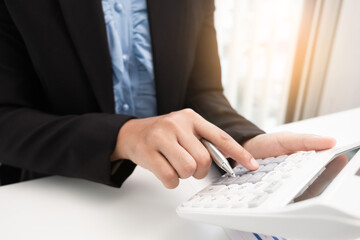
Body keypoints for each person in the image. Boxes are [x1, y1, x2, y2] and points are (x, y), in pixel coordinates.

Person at [0, 0, 335, 188]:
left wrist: (243, 143)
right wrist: (121, 136)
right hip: (58, 189)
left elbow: (202, 92)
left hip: (174, 190)